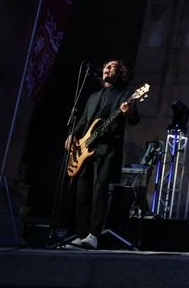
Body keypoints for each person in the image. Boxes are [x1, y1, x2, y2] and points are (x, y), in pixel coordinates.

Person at [64, 59, 141, 249]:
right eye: (107, 66)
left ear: (120, 73)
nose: (108, 69)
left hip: (107, 149)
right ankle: (80, 234)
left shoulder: (125, 95)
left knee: (100, 192)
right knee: (83, 192)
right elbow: (83, 121)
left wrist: (129, 112)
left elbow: (134, 119)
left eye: (113, 67)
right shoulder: (93, 96)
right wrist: (73, 135)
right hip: (84, 150)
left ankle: (93, 235)